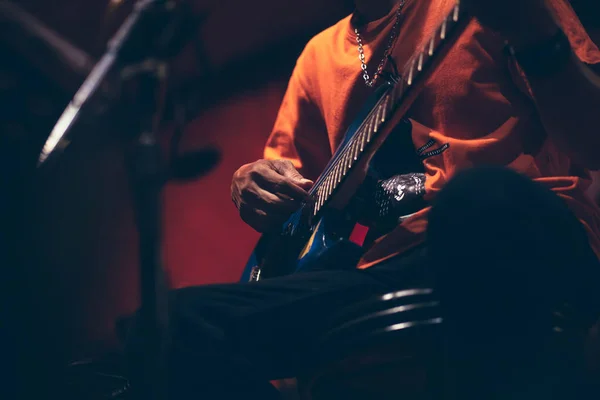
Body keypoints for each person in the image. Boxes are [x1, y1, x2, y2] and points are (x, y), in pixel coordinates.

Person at [125, 0, 600, 398]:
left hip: (522, 228)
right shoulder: (318, 57)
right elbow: (292, 199)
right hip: (380, 271)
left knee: (477, 198)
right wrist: (251, 184)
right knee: (167, 328)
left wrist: (538, 34)